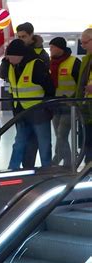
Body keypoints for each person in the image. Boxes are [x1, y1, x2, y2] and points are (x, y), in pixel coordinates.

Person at [0, 39, 55, 170]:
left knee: (44, 143)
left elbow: (49, 88)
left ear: (18, 55)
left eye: (9, 56)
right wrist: (5, 62)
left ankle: (47, 170)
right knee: (19, 142)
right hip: (21, 112)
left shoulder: (36, 65)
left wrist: (47, 107)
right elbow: (2, 74)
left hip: (38, 111)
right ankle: (13, 169)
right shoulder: (12, 66)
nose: (7, 58)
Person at [48, 37, 81, 166]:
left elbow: (80, 84)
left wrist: (74, 98)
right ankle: (67, 160)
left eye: (52, 47)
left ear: (59, 48)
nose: (50, 50)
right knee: (59, 135)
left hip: (70, 105)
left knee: (62, 134)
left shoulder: (74, 62)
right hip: (56, 105)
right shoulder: (51, 63)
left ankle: (62, 161)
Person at [77, 28, 92, 164]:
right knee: (87, 141)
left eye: (85, 43)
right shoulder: (86, 60)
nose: (83, 47)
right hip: (86, 107)